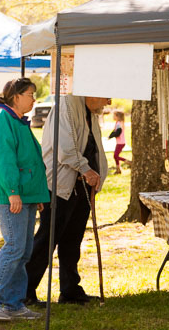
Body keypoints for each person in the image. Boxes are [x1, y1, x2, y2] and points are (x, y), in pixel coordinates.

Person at [24, 94, 110, 306]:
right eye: (106, 97)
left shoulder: (90, 112)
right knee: (47, 238)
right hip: (60, 186)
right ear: (93, 92)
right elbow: (64, 149)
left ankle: (70, 290)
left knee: (73, 240)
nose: (108, 102)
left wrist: (94, 174)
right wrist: (87, 169)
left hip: (81, 186)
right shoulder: (67, 105)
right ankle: (25, 290)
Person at [0, 78, 48, 320]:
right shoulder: (0, 120)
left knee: (25, 249)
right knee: (15, 247)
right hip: (10, 196)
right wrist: (12, 191)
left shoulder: (18, 121)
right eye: (30, 94)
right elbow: (3, 159)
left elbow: (29, 160)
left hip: (24, 195)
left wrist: (35, 194)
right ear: (15, 96)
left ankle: (13, 304)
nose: (33, 99)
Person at [108, 109, 126, 174]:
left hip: (121, 143)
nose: (113, 117)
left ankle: (128, 162)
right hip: (120, 142)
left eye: (114, 115)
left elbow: (117, 132)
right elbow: (114, 131)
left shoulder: (119, 123)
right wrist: (110, 136)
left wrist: (111, 136)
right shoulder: (118, 123)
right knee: (116, 156)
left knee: (115, 156)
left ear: (117, 116)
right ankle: (118, 170)